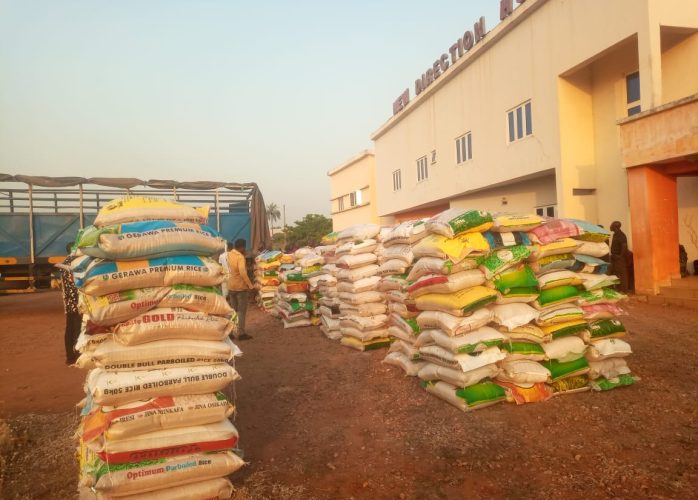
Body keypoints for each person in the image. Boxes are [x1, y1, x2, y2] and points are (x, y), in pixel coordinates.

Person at [227, 238, 254, 340]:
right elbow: (243, 272)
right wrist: (250, 286)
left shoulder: (230, 254)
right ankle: (241, 333)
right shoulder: (240, 257)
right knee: (241, 311)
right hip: (240, 288)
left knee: (233, 310)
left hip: (231, 286)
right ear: (242, 247)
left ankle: (230, 332)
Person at [59, 243, 81, 364]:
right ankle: (77, 355)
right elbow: (75, 284)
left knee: (69, 329)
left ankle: (70, 357)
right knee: (77, 328)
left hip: (68, 302)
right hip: (76, 302)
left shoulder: (65, 262)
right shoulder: (74, 263)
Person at [610, 221, 629, 292]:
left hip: (620, 257)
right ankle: (618, 288)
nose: (610, 226)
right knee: (617, 273)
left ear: (615, 227)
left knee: (622, 273)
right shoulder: (615, 234)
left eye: (612, 225)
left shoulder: (621, 235)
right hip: (615, 256)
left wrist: (620, 256)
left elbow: (624, 246)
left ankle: (624, 290)